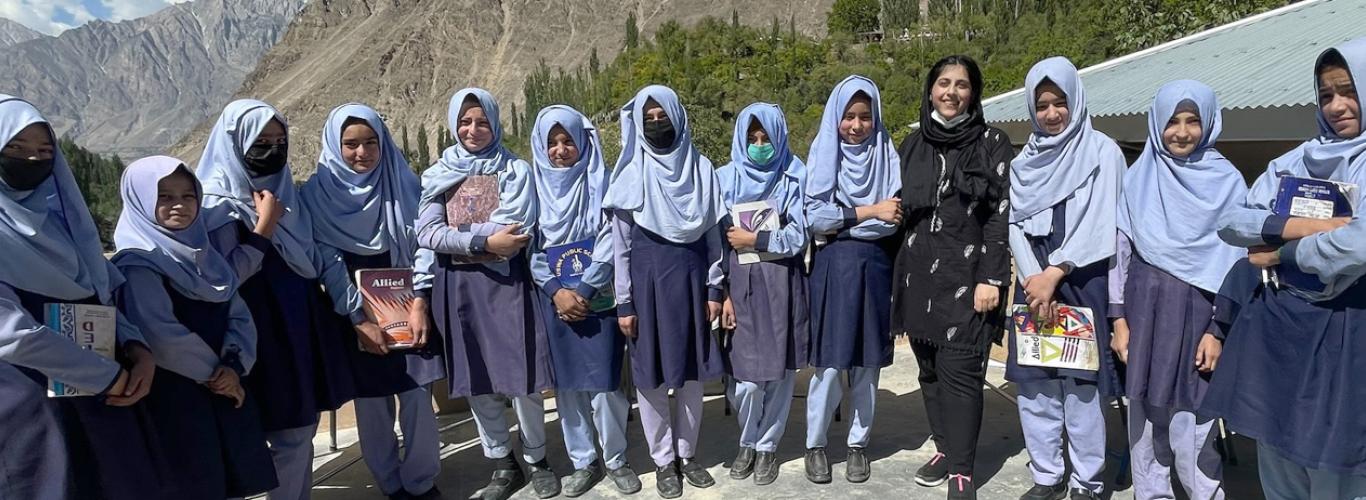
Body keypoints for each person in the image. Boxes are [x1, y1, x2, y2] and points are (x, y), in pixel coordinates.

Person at [1204, 37, 1366, 500]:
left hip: (1347, 331)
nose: (1337, 106)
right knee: (1278, 451)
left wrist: (1280, 253)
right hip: (1282, 332)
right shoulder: (1294, 161)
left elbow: (1358, 245)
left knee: (1336, 466)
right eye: (1326, 95)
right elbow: (1234, 221)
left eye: (1348, 91)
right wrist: (1307, 224)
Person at [0, 94, 165, 500]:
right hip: (34, 407)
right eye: (16, 149)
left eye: (43, 151)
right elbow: (12, 332)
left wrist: (135, 345)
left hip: (103, 396)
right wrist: (106, 375)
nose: (31, 160)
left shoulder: (63, 224)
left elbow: (99, 290)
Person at [197, 99, 359, 500]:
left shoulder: (291, 194)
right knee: (242, 430)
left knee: (297, 429)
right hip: (243, 330)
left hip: (296, 324)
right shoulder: (212, 205)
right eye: (260, 141)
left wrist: (355, 309)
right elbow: (219, 280)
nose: (272, 149)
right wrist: (264, 228)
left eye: (279, 140)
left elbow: (316, 254)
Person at [416, 88, 556, 500]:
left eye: (481, 121)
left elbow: (514, 231)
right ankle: (502, 462)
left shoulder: (515, 171)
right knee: (478, 380)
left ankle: (537, 457)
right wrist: (482, 241)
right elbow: (425, 233)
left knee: (523, 379)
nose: (472, 130)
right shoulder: (438, 173)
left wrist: (457, 237)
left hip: (507, 288)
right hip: (459, 291)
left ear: (495, 123)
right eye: (464, 121)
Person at [300, 103, 445, 500]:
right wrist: (356, 316)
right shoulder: (316, 196)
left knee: (417, 396)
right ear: (334, 145)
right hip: (355, 312)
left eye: (370, 143)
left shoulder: (403, 183)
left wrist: (419, 299)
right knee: (372, 403)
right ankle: (390, 484)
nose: (362, 153)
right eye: (351, 144)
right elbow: (327, 258)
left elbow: (426, 242)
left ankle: (421, 481)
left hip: (409, 303)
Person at [113, 155, 279, 499]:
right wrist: (215, 374)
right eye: (165, 197)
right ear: (140, 200)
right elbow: (160, 334)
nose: (179, 206)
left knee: (228, 477)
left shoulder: (205, 258)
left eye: (188, 197)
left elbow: (238, 313)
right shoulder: (138, 263)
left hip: (222, 385)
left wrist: (234, 365)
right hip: (177, 394)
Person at [1111, 80, 1243, 500]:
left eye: (1193, 121)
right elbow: (1120, 252)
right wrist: (1118, 320)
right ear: (1156, 125)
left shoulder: (1228, 183)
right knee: (1147, 421)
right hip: (1144, 313)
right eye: (1172, 122)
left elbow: (1237, 265)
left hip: (1200, 317)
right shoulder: (1139, 179)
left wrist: (1218, 330)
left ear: (1209, 124)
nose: (1182, 132)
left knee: (1195, 424)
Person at [893, 54, 1012, 500]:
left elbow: (1000, 213)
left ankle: (962, 471)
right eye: (943, 83)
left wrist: (992, 279)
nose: (951, 92)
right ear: (930, 90)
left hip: (968, 275)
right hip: (918, 275)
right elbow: (898, 207)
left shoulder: (991, 142)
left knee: (960, 372)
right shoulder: (912, 144)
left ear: (974, 94)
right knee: (928, 372)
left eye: (962, 85)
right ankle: (944, 447)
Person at [1006, 57, 1125, 500]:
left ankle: (1087, 482)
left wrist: (1056, 272)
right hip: (1035, 284)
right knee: (1036, 387)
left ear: (1075, 101)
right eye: (1042, 105)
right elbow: (1015, 222)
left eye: (1060, 103)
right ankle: (1047, 476)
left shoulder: (1102, 152)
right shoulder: (1025, 161)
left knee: (1081, 389)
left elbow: (1105, 221)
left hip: (1080, 279)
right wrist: (1035, 278)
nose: (1052, 114)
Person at [603, 84, 726, 499]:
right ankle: (662, 461)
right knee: (651, 379)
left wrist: (714, 287)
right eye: (649, 118)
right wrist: (624, 302)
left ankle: (687, 455)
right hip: (647, 288)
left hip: (693, 285)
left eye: (664, 115)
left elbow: (712, 238)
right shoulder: (629, 175)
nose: (658, 124)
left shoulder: (702, 170)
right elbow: (620, 249)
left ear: (679, 117)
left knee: (691, 375)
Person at [527, 104, 642, 497]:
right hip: (554, 300)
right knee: (569, 388)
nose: (561, 150)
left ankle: (616, 459)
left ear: (582, 143)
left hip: (598, 298)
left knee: (607, 384)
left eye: (568, 141)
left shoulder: (601, 183)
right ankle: (583, 461)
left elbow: (612, 238)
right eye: (552, 143)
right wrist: (557, 291)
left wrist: (586, 289)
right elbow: (530, 247)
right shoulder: (533, 189)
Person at [803, 75, 902, 485]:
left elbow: (893, 219)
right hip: (832, 270)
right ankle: (816, 444)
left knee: (866, 365)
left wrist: (846, 218)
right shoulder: (823, 154)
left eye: (865, 116)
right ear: (835, 118)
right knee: (828, 366)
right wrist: (869, 212)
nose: (857, 125)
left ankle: (858, 445)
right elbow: (814, 217)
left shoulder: (887, 154)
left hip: (875, 269)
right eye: (848, 116)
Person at [715, 102, 809, 486]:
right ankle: (747, 441)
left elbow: (799, 235)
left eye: (765, 138)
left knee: (781, 373)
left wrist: (756, 238)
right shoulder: (724, 179)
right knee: (747, 378)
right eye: (752, 138)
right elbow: (717, 245)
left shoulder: (795, 177)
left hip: (783, 283)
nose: (759, 145)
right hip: (740, 286)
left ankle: (767, 447)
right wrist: (722, 293)